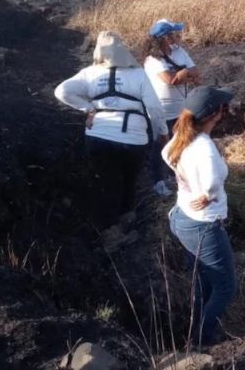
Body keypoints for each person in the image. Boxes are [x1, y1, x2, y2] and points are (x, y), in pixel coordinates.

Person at [55, 31, 168, 229]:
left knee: (106, 181)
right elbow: (154, 108)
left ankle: (105, 227)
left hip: (98, 135)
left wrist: (89, 108)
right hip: (132, 139)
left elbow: (61, 91)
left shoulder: (88, 73)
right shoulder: (138, 74)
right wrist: (162, 132)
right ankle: (125, 219)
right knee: (129, 180)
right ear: (122, 50)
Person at [162, 85, 236, 346]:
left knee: (203, 282)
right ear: (215, 114)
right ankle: (202, 340)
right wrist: (209, 194)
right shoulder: (203, 147)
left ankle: (194, 327)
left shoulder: (182, 135)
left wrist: (196, 190)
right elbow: (212, 181)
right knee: (226, 288)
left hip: (182, 218)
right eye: (223, 108)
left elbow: (165, 154)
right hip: (203, 226)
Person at [143, 19, 200, 196]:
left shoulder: (179, 51)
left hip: (180, 107)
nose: (178, 36)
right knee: (160, 145)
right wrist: (184, 74)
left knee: (179, 143)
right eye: (174, 33)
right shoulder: (152, 59)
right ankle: (157, 181)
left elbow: (196, 72)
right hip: (160, 110)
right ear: (165, 38)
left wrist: (183, 75)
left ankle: (172, 175)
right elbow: (169, 80)